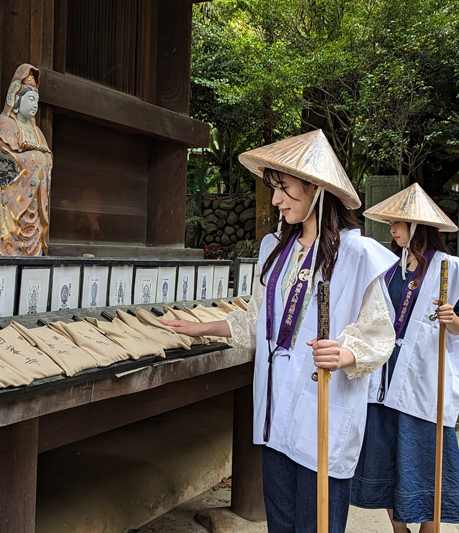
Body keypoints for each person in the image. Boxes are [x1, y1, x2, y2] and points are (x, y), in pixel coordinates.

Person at [161, 129, 397, 533]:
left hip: (324, 408)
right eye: (273, 189)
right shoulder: (274, 249)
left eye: (284, 189)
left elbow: (380, 335)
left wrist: (346, 353)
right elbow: (259, 322)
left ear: (317, 189)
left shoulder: (357, 254)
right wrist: (203, 328)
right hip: (276, 410)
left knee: (318, 524)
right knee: (281, 524)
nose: (275, 200)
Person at [350, 183, 459, 533]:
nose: (392, 229)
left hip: (425, 375)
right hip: (384, 373)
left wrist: (452, 320)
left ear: (418, 227)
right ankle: (399, 528)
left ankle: (430, 527)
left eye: (398, 223)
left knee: (426, 455)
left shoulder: (449, 269)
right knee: (385, 454)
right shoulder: (389, 267)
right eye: (391, 223)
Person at [0, 63, 53, 256]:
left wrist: (42, 160)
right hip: (13, 201)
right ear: (16, 98)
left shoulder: (38, 132)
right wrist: (36, 160)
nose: (35, 105)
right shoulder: (5, 125)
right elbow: (5, 160)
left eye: (37, 101)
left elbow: (47, 157)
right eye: (31, 99)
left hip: (35, 202)